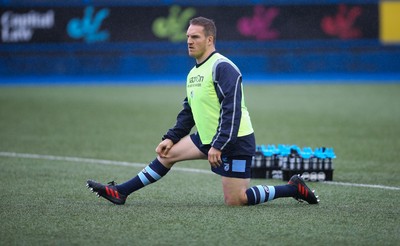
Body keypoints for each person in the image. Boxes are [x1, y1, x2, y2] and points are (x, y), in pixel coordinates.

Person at [87, 17, 319, 206]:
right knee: (167, 155)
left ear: (209, 40)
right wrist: (171, 137)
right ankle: (121, 192)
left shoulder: (223, 67)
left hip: (235, 141)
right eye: (188, 36)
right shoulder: (193, 73)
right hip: (208, 138)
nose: (189, 41)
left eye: (195, 37)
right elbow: (188, 112)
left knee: (236, 200)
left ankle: (291, 188)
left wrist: (219, 145)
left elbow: (232, 109)